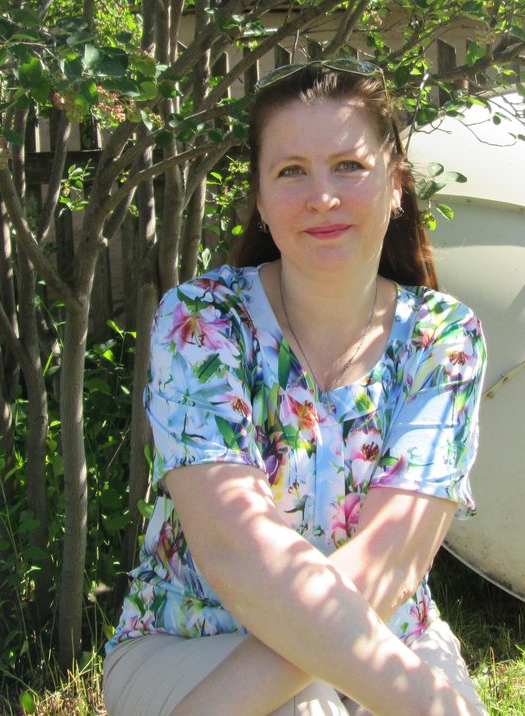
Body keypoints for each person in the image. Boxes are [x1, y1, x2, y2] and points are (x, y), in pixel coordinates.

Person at [102, 60, 487, 715]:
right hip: (189, 639)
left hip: (395, 635)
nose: (322, 197)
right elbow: (238, 552)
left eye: (348, 166)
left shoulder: (441, 337)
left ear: (395, 184)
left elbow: (393, 560)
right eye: (291, 172)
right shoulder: (203, 321)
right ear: (259, 197)